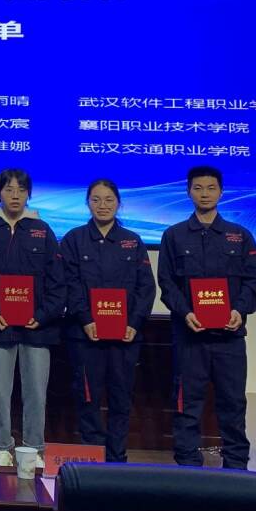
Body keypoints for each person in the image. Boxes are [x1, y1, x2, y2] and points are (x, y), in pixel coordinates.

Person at [157, 165, 256, 470]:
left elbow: (255, 280)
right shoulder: (174, 235)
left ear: (221, 192)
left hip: (229, 338)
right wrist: (185, 312)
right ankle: (188, 466)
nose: (204, 194)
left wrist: (240, 309)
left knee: (233, 403)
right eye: (198, 188)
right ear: (188, 191)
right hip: (190, 337)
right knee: (187, 404)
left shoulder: (240, 236)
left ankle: (236, 466)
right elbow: (166, 283)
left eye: (211, 188)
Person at [0, 169, 65, 466]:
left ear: (29, 194)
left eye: (21, 190)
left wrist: (43, 315)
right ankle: (2, 447)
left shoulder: (42, 230)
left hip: (38, 328)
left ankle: (33, 448)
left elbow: (57, 281)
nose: (15, 195)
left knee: (36, 393)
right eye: (9, 189)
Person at [60, 179, 156, 463]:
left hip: (125, 337)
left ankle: (116, 459)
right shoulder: (73, 239)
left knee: (120, 398)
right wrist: (85, 318)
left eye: (109, 200)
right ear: (87, 203)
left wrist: (134, 323)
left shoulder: (132, 241)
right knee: (87, 397)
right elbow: (69, 283)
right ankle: (92, 458)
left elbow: (146, 287)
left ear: (119, 203)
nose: (103, 205)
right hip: (84, 335)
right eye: (96, 199)